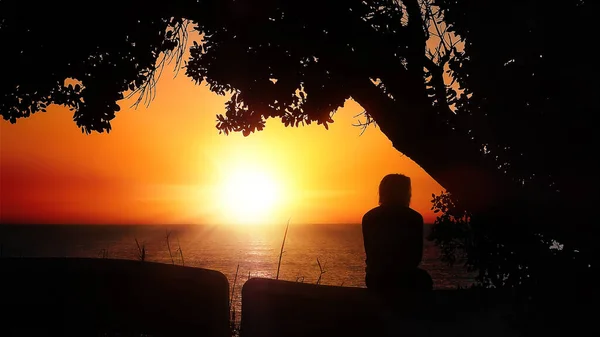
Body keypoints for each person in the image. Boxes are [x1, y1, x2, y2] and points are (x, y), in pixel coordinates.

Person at [362, 173, 433, 293]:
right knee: (424, 279)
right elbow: (415, 257)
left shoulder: (369, 217)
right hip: (404, 278)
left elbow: (370, 253)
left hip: (375, 279)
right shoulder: (414, 218)